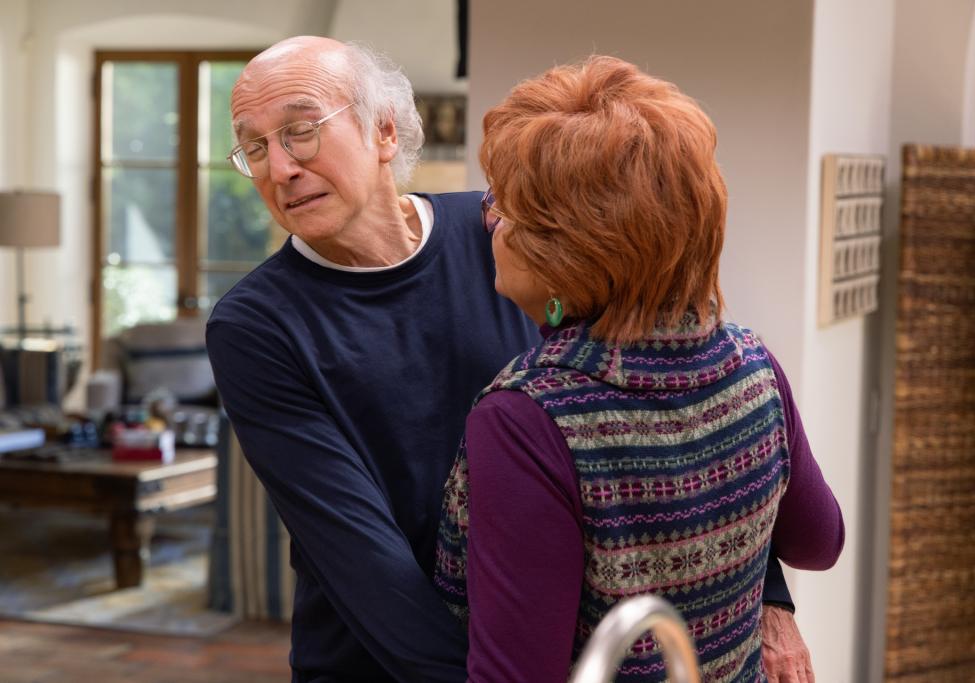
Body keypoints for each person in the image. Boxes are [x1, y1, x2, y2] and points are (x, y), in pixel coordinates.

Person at [208, 36, 816, 682]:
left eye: (300, 132)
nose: (279, 168)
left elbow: (655, 398)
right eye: (253, 147)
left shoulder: (497, 233)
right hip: (392, 662)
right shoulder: (256, 325)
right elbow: (363, 561)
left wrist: (766, 593)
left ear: (384, 131)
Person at [433, 56, 844, 683]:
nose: (490, 219)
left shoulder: (527, 418)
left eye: (507, 206)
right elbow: (820, 541)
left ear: (568, 252)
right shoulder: (751, 360)